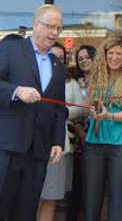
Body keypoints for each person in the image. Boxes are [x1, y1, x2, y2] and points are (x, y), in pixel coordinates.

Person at [0, 4, 67, 221]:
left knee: (25, 213)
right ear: (36, 25)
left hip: (38, 152)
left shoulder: (58, 65)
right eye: (50, 26)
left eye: (59, 28)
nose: (55, 33)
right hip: (4, 147)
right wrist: (16, 91)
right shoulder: (10, 50)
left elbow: (58, 107)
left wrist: (57, 141)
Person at [84, 37, 122, 221]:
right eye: (111, 53)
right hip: (95, 143)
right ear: (104, 55)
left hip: (121, 146)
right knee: (91, 198)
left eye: (119, 54)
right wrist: (94, 112)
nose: (114, 57)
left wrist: (108, 116)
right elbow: (91, 108)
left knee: (118, 198)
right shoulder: (96, 78)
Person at [39, 42, 88, 221]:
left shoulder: (70, 82)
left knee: (50, 196)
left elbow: (82, 109)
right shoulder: (34, 77)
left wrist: (61, 111)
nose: (57, 61)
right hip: (33, 144)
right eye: (53, 56)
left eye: (61, 58)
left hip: (60, 145)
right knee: (30, 195)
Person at [67, 44, 96, 221]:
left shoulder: (102, 81)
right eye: (80, 59)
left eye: (87, 57)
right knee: (75, 186)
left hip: (97, 139)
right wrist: (79, 132)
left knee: (91, 188)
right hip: (77, 140)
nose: (84, 61)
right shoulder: (74, 82)